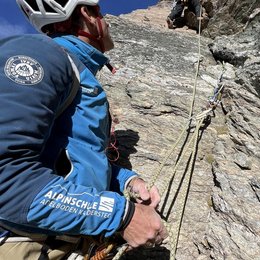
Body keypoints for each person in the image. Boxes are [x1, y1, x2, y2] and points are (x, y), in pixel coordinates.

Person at [0, 0, 167, 259]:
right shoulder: (40, 54)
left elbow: (68, 158)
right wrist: (121, 215)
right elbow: (6, 178)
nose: (108, 20)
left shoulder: (78, 72)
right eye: (100, 11)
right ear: (87, 14)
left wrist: (127, 181)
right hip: (22, 244)